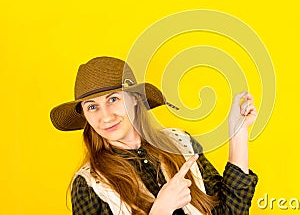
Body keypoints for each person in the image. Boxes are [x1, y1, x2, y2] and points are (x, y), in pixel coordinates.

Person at [50, 56, 258, 215]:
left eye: (113, 99)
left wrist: (237, 132)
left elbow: (231, 211)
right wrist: (160, 210)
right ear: (85, 115)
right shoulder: (89, 185)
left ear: (134, 99)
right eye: (92, 107)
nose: (105, 116)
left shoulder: (180, 144)